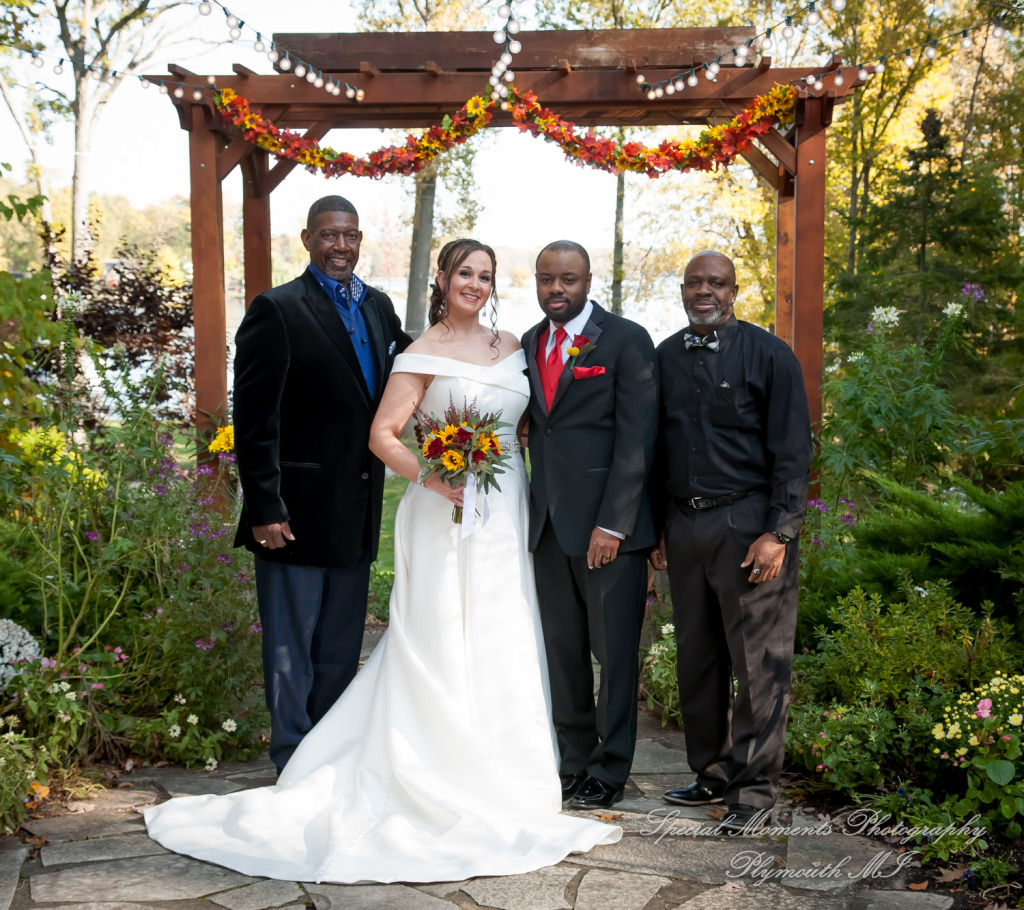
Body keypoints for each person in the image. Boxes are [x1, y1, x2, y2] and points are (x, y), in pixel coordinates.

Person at [144, 239, 621, 882]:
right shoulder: (417, 352)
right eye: (464, 274)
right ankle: (430, 766)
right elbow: (382, 434)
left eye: (485, 275)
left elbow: (533, 420)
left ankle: (506, 768)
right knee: (439, 634)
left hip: (505, 512)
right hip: (442, 504)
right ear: (444, 280)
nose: (475, 285)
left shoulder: (512, 346)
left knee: (502, 630)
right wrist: (432, 475)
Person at [230, 195, 412, 774]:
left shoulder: (379, 308)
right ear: (307, 239)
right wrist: (264, 503)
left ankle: (328, 759)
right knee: (291, 650)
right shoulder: (276, 310)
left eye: (351, 236)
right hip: (293, 513)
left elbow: (418, 367)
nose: (341, 246)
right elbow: (254, 420)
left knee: (338, 650)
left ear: (361, 241)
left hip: (356, 510)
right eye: (330, 235)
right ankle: (291, 760)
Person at [650, 250, 812, 834]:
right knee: (698, 658)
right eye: (694, 281)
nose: (703, 291)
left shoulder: (770, 355)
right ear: (683, 289)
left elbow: (794, 449)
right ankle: (711, 772)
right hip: (686, 526)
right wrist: (658, 528)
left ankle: (755, 792)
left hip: (750, 529)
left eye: (715, 283)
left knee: (759, 662)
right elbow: (656, 452)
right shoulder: (664, 356)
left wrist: (780, 531)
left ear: (734, 290)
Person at [521, 241, 659, 811]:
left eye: (569, 278)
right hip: (548, 527)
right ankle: (572, 761)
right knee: (564, 653)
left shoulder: (626, 340)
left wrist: (615, 525)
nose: (558, 288)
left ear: (587, 280)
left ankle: (611, 767)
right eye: (548, 278)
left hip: (609, 532)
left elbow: (638, 439)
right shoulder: (529, 342)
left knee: (615, 654)